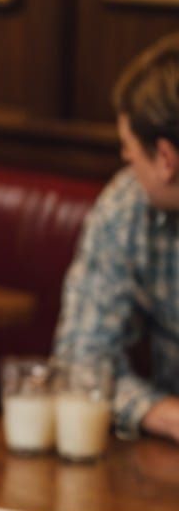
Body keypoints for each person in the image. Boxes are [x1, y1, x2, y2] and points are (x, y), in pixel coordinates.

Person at [55, 33, 179, 443]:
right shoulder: (128, 206)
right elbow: (78, 365)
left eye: (128, 150)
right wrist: (165, 415)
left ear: (165, 160)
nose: (126, 162)